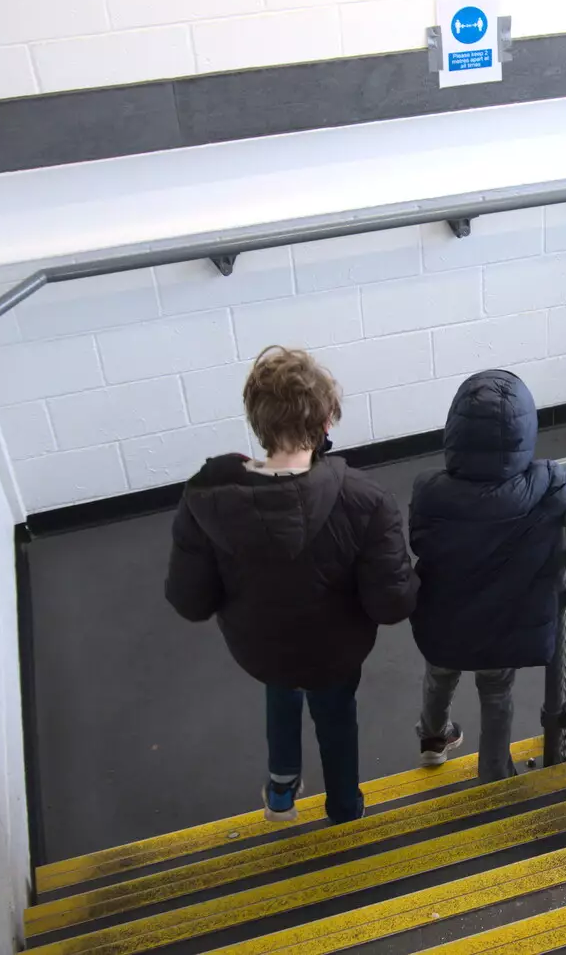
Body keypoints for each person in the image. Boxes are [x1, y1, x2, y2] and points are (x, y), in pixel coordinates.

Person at [164, 346, 417, 824]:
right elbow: (391, 604)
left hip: (261, 648)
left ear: (258, 424)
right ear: (326, 423)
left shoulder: (208, 498)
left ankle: (281, 791)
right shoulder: (366, 501)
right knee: (336, 718)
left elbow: (190, 600)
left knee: (280, 689)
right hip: (334, 653)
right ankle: (345, 808)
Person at [408, 369, 566, 782]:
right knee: (496, 692)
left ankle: (432, 738)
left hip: (442, 624)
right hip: (502, 628)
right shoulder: (546, 483)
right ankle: (494, 775)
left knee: (439, 673)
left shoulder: (427, 489)